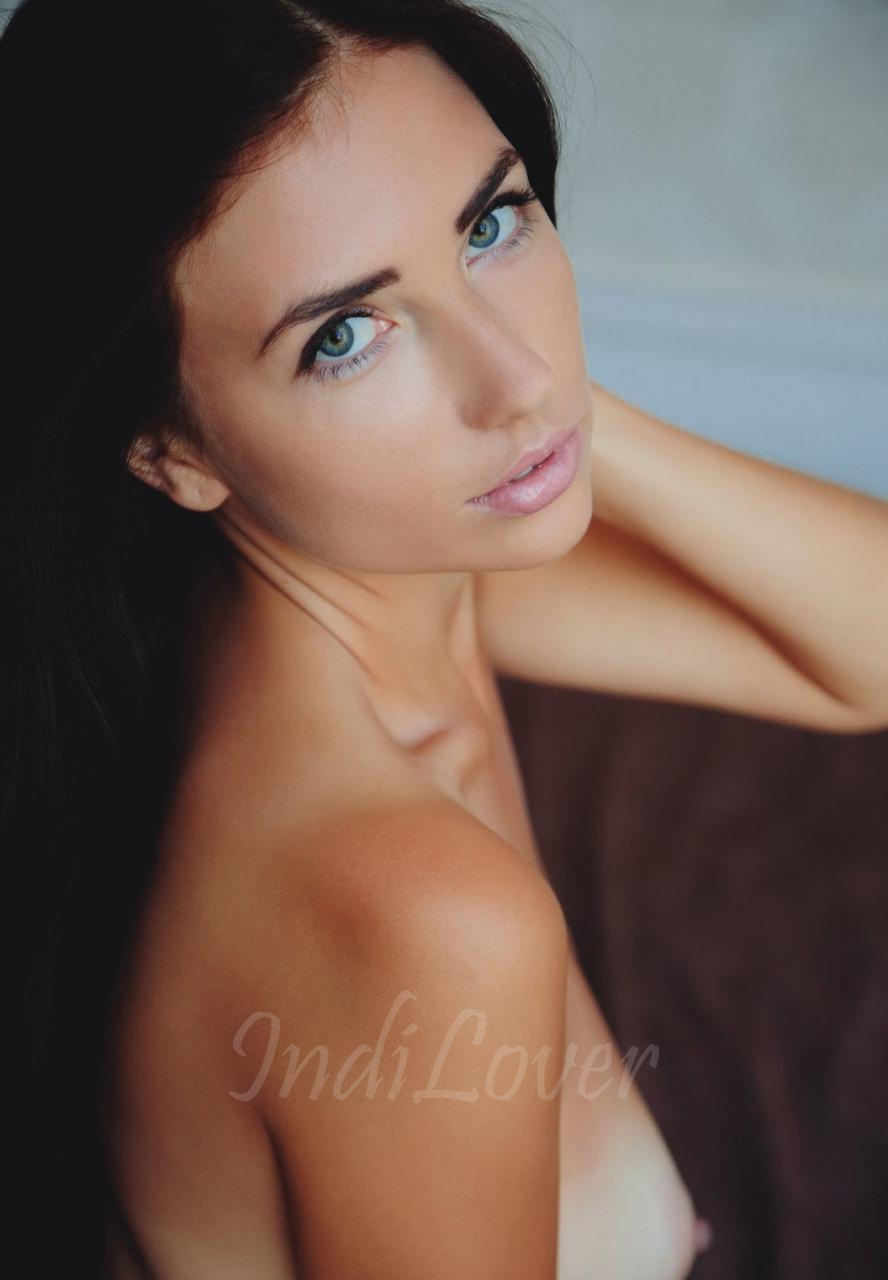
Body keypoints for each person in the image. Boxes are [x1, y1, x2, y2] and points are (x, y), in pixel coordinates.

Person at [4, 1, 886, 1277]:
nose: (511, 376)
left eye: (491, 222)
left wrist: (564, 423)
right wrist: (536, 414)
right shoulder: (427, 916)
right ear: (169, 450)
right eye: (344, 336)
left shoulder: (405, 572)